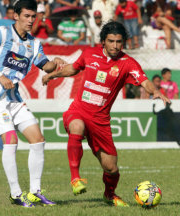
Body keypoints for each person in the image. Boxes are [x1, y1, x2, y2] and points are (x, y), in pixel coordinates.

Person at [42, 21, 170, 207]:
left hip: (100, 122)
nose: (115, 46)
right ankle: (75, 178)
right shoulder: (89, 54)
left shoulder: (127, 63)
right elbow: (73, 68)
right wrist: (52, 75)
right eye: (111, 41)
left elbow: (143, 81)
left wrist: (155, 91)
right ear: (103, 41)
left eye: (119, 41)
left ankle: (109, 195)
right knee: (76, 126)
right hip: (78, 110)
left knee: (111, 168)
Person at [0, 0, 65, 208]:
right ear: (15, 16)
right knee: (11, 140)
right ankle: (16, 194)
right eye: (26, 16)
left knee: (38, 139)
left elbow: (45, 65)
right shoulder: (2, 33)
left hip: (14, 98)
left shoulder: (35, 43)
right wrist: (0, 75)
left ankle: (35, 192)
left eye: (33, 16)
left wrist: (56, 62)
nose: (30, 20)